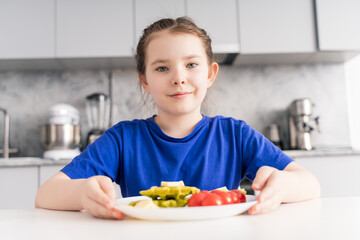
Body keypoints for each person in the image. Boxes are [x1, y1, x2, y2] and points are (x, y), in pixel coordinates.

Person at [35, 17, 320, 219]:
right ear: (144, 80)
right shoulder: (123, 139)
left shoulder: (234, 134)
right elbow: (46, 194)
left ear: (210, 74)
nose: (179, 79)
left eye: (192, 65)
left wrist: (281, 185)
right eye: (161, 69)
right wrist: (83, 191)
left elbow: (310, 183)